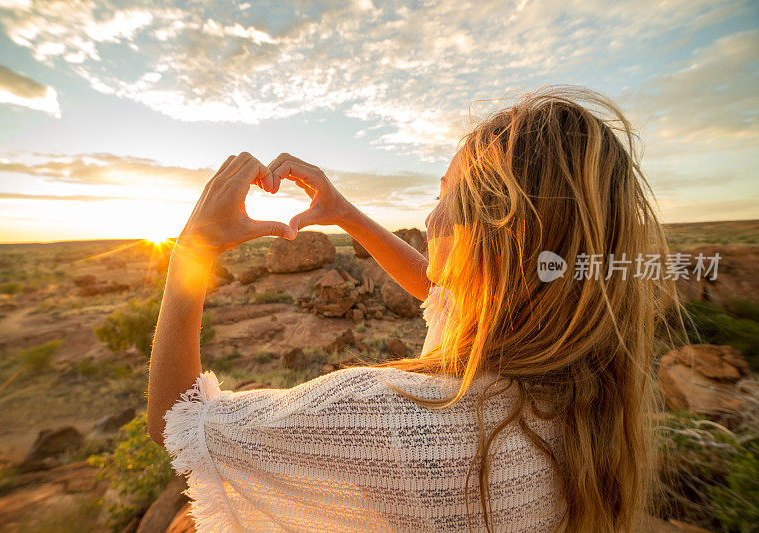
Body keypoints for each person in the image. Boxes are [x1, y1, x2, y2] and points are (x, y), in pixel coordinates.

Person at [147, 85, 680, 532]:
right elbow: (438, 292)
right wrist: (343, 213)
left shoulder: (396, 417)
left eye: (449, 195)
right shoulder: (577, 389)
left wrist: (191, 251)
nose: (431, 215)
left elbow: (179, 419)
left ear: (498, 234)